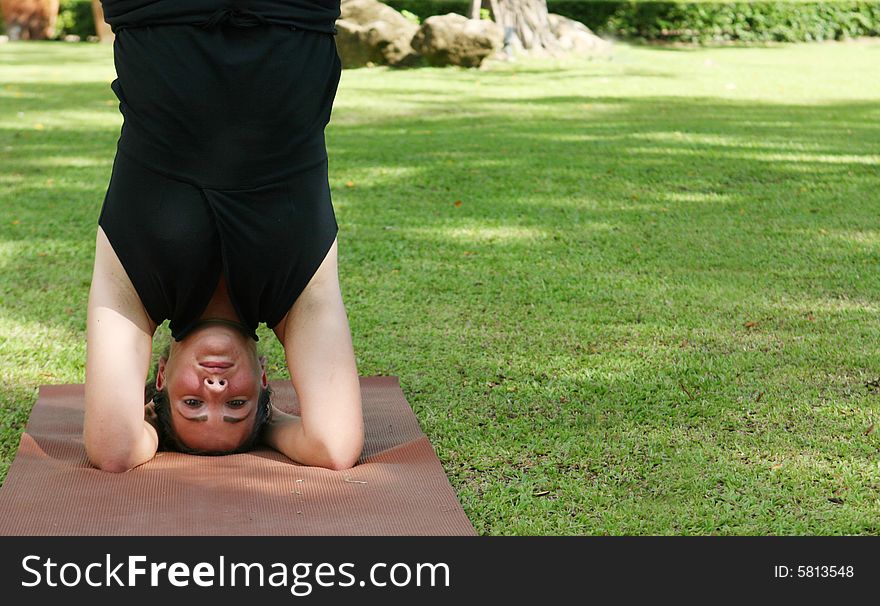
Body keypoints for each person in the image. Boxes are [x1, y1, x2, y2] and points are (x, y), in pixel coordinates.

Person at [84, 1, 364, 472]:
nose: (214, 392)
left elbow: (114, 449)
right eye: (237, 407)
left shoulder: (134, 291)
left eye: (191, 406)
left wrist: (150, 423)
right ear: (262, 379)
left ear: (160, 378)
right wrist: (269, 422)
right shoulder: (298, 298)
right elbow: (332, 448)